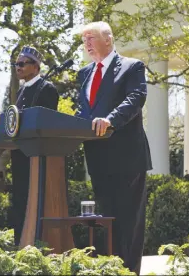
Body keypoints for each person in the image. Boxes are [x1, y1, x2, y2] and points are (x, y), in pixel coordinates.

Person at [76, 21, 152, 275]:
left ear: (108, 39)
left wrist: (111, 120)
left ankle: (129, 272)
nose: (86, 43)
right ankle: (109, 270)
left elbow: (136, 98)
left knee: (127, 222)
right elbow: (82, 111)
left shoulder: (132, 67)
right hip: (97, 158)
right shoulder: (84, 73)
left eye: (91, 37)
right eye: (83, 39)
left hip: (126, 157)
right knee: (106, 220)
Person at [10, 45, 59, 246]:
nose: (18, 67)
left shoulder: (46, 89)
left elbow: (47, 125)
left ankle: (36, 245)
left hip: (37, 157)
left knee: (35, 202)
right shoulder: (22, 90)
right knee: (20, 202)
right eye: (16, 64)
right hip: (20, 155)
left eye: (22, 64)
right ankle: (19, 244)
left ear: (36, 67)